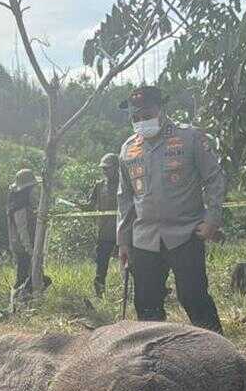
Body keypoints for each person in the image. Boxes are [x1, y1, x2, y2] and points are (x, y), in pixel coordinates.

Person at [116, 86, 226, 333]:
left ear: (161, 110)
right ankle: (155, 353)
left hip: (186, 234)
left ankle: (215, 350)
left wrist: (212, 219)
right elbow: (125, 198)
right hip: (144, 239)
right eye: (136, 118)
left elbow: (215, 178)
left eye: (147, 115)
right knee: (146, 305)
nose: (142, 122)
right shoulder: (128, 149)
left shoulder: (190, 138)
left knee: (194, 298)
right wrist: (123, 241)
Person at [6, 168, 49, 294]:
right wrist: (31, 251)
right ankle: (17, 300)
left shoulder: (23, 204)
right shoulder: (20, 207)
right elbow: (23, 230)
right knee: (24, 279)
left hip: (23, 246)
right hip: (24, 248)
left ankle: (27, 299)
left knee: (35, 279)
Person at [85, 153, 120, 296]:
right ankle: (99, 295)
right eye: (103, 168)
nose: (104, 171)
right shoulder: (99, 186)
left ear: (116, 167)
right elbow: (90, 205)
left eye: (107, 168)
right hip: (104, 233)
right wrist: (81, 206)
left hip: (122, 232)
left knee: (131, 266)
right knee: (101, 267)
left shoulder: (125, 184)